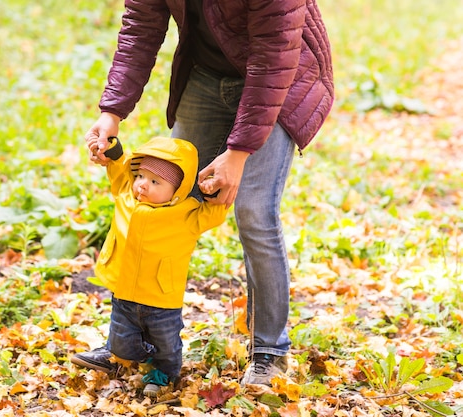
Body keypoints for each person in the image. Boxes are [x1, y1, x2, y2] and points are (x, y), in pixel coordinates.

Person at [81, 0, 334, 386]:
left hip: (281, 79)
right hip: (207, 74)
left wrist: (238, 153)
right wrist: (111, 112)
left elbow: (273, 56)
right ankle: (132, 343)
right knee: (164, 194)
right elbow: (141, 28)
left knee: (254, 211)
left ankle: (270, 351)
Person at [71, 135, 228, 396]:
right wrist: (113, 152)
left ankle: (163, 372)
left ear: (177, 190)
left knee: (166, 344)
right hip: (124, 293)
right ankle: (124, 357)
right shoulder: (126, 198)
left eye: (155, 181)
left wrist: (217, 192)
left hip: (162, 299)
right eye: (141, 176)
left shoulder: (187, 215)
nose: (143, 185)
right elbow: (119, 172)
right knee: (121, 341)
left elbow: (215, 213)